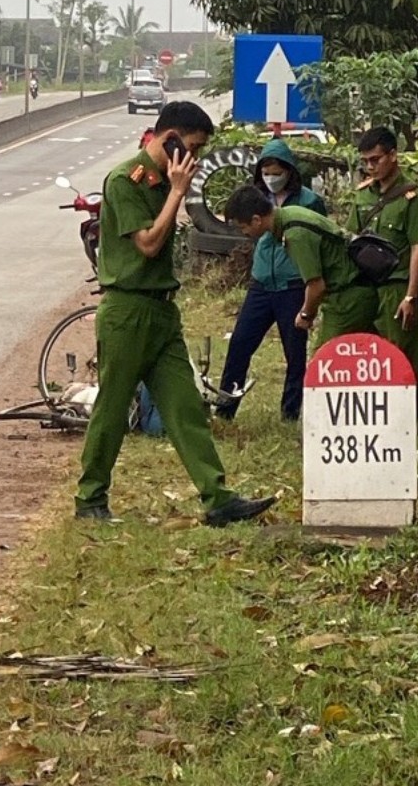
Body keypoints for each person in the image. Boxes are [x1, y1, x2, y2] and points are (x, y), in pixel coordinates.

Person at [76, 101, 276, 527]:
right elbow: (147, 244)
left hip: (162, 312)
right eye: (192, 146)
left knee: (185, 406)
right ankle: (90, 498)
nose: (196, 157)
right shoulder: (125, 181)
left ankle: (217, 496)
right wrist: (177, 192)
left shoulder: (165, 181)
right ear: (167, 139)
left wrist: (174, 189)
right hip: (127, 309)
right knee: (112, 408)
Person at [213, 141, 329, 422]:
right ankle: (225, 408)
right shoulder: (256, 200)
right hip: (261, 282)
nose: (271, 177)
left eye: (277, 172)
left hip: (293, 284)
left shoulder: (308, 201)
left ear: (289, 171)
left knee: (295, 352)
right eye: (266, 172)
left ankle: (290, 412)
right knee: (240, 342)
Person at [222, 184, 377, 346]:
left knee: (324, 364)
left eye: (243, 227)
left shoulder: (295, 234)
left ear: (256, 220)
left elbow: (316, 286)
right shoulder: (290, 214)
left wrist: (305, 315)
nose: (244, 233)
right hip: (353, 293)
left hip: (348, 299)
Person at [348, 127, 418, 380]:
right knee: (366, 361)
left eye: (375, 160)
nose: (370, 167)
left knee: (403, 363)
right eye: (365, 162)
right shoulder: (362, 195)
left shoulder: (413, 198)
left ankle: (408, 420)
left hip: (398, 288)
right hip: (366, 289)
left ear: (393, 155)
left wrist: (410, 297)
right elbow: (351, 240)